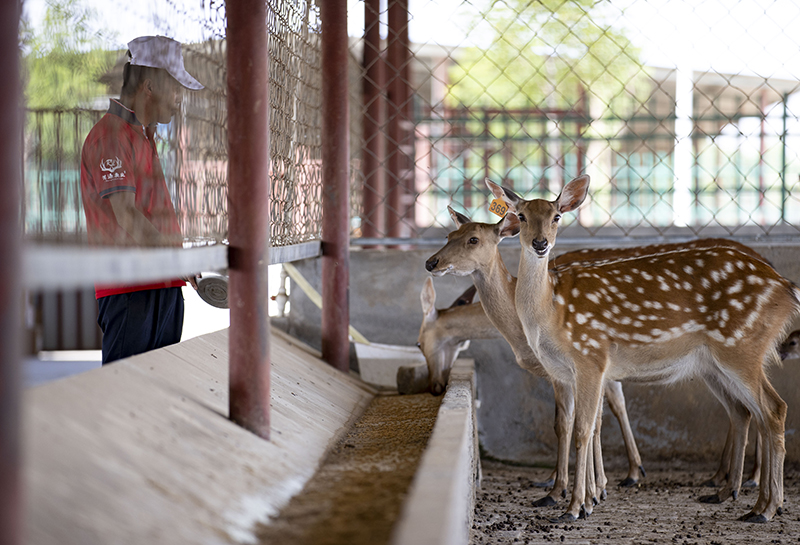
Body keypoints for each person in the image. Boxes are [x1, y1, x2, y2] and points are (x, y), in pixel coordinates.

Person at [80, 36, 203, 364]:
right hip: (130, 291)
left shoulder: (142, 136)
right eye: (175, 89)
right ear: (149, 86)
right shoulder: (111, 137)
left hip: (163, 287)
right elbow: (127, 215)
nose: (179, 99)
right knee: (125, 401)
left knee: (158, 402)